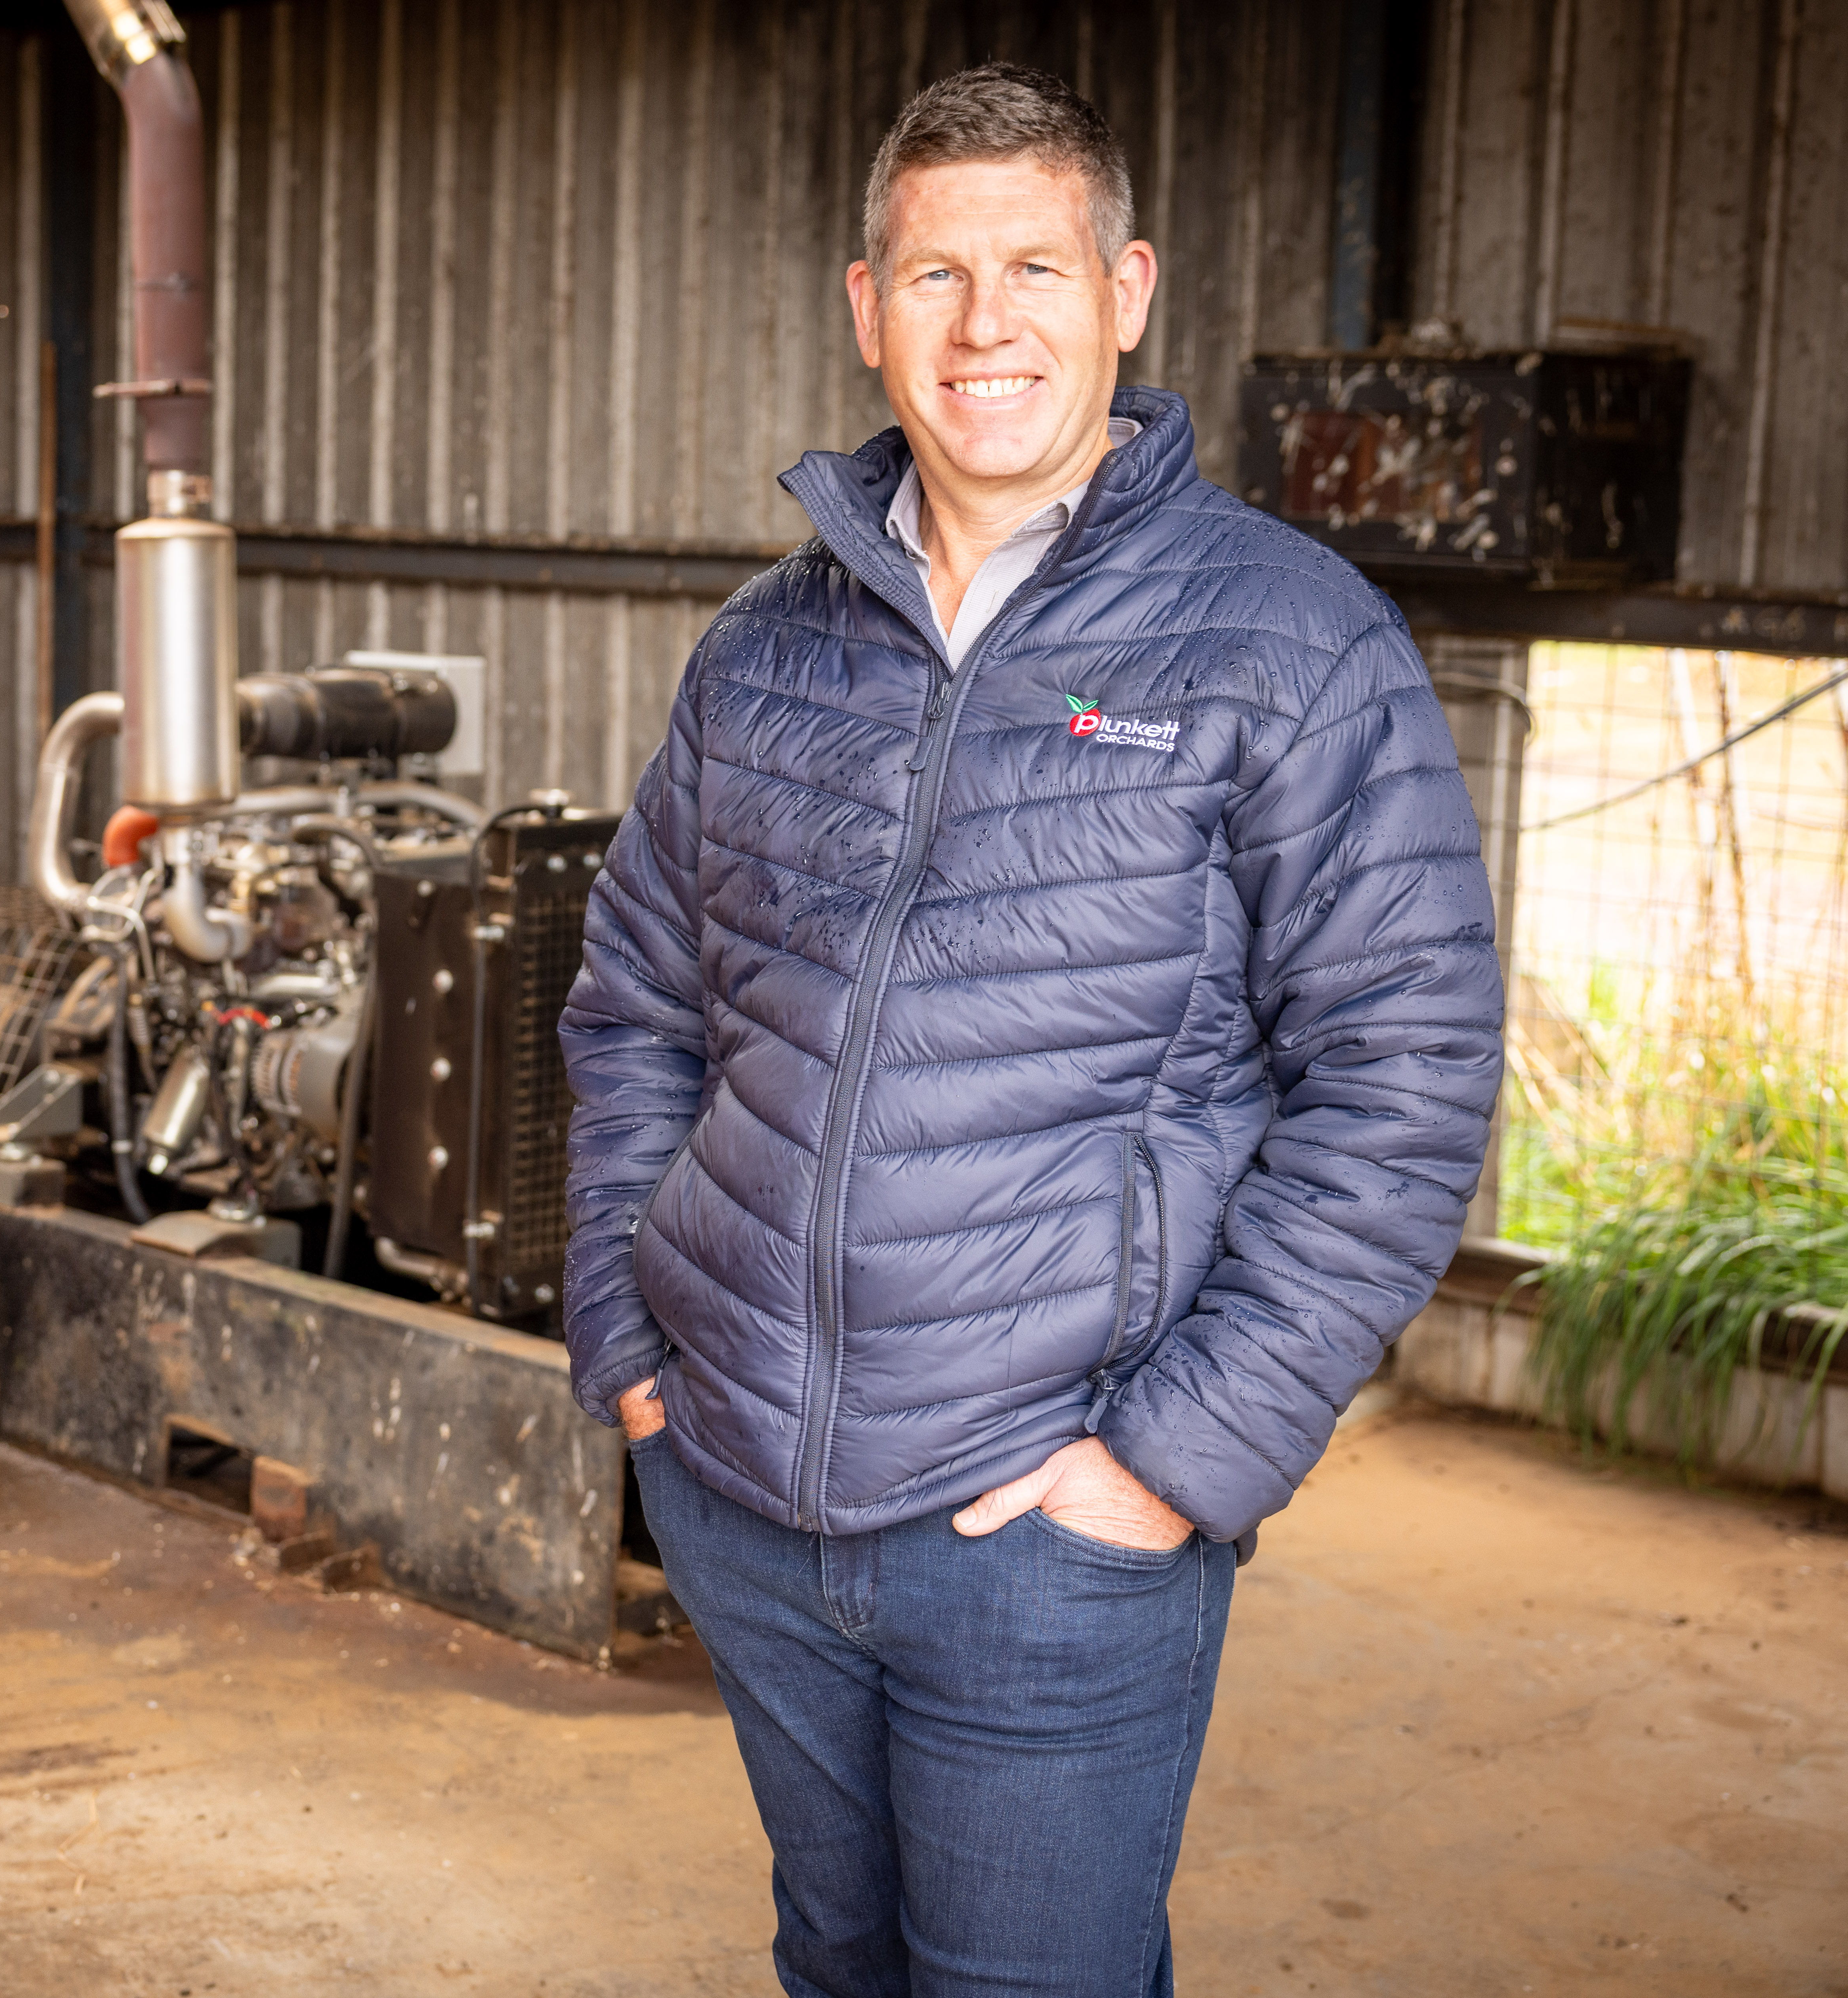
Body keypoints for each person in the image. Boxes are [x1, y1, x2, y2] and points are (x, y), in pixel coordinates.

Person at [559, 63, 1503, 1998]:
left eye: (1034, 266)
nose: (984, 324)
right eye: (932, 274)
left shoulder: (1286, 639)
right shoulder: (766, 643)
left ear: (1126, 287)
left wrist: (1173, 1457)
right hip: (740, 1488)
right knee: (836, 1961)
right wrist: (634, 1347)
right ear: (863, 305)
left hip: (1049, 1525)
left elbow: (1402, 1082)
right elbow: (637, 997)